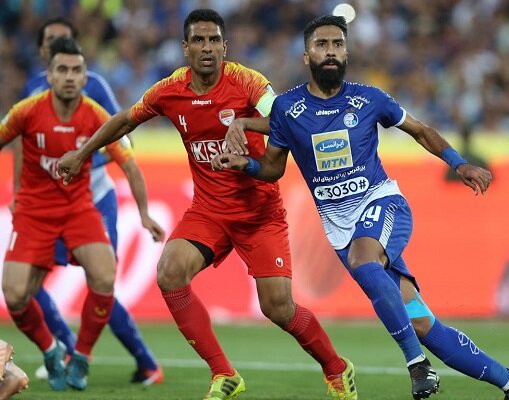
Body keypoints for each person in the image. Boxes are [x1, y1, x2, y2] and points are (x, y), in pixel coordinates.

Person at [211, 15, 509, 400]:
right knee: (422, 324)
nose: (330, 52)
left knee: (364, 261)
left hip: (382, 204)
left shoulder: (370, 99)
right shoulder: (287, 109)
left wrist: (459, 163)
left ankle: (417, 365)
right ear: (306, 55)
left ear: (346, 52)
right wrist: (245, 165)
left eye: (337, 44)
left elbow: (420, 130)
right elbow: (272, 168)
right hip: (341, 229)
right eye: (321, 45)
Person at [57, 9, 357, 400]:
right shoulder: (170, 89)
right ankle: (223, 374)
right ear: (186, 48)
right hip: (209, 211)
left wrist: (244, 123)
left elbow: (286, 120)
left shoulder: (248, 82)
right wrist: (81, 154)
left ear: (224, 47)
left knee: (278, 308)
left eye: (214, 40)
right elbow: (125, 120)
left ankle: (336, 368)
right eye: (198, 40)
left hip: (259, 213)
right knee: (170, 272)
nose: (207, 47)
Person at [12, 17, 164, 385]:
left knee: (102, 279)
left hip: (92, 197)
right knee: (26, 287)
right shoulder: (31, 95)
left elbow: (124, 138)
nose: (58, 46)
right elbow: (19, 143)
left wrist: (81, 159)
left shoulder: (94, 87)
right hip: (43, 205)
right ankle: (61, 348)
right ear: (42, 53)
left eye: (65, 40)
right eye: (51, 41)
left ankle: (142, 362)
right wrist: (18, 190)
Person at [1, 37, 128, 392]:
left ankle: (81, 357)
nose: (69, 76)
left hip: (78, 209)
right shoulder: (26, 110)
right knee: (14, 294)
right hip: (33, 212)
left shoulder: (95, 114)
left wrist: (146, 212)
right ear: (50, 75)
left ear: (85, 76)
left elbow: (129, 160)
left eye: (76, 70)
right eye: (62, 69)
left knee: (105, 276)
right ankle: (51, 350)